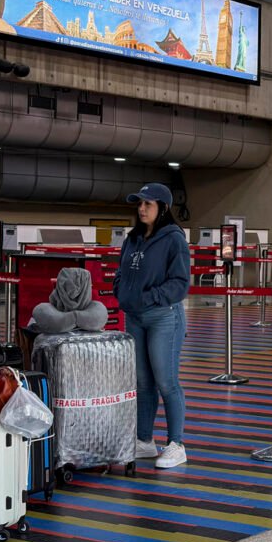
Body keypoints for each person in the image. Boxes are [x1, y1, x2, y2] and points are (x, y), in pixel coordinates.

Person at [113, 182, 191, 469]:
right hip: (135, 317)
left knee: (166, 381)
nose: (142, 208)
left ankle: (176, 444)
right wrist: (123, 293)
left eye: (148, 203)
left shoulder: (174, 239)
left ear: (163, 208)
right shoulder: (133, 238)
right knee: (143, 383)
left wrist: (149, 298)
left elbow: (180, 283)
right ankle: (144, 440)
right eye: (139, 203)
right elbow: (121, 272)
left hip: (163, 317)